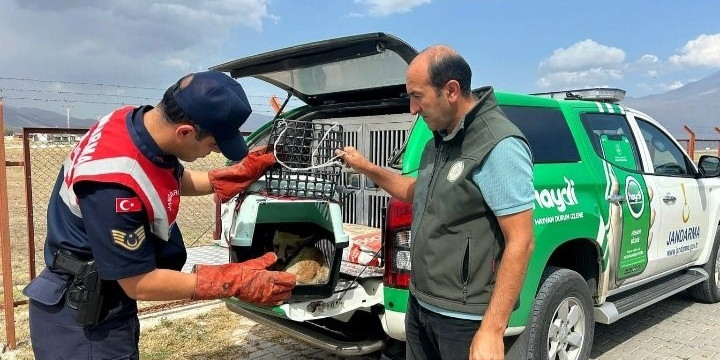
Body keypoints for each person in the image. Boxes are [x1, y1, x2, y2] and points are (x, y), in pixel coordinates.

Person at [22, 70, 296, 360]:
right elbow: (139, 282)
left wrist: (230, 177)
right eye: (213, 145)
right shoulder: (114, 186)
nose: (213, 152)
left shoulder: (133, 123)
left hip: (103, 300)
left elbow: (167, 177)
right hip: (84, 321)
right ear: (185, 132)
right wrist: (232, 281)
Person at [336, 46, 535, 360]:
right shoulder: (438, 141)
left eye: (417, 96)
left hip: (464, 318)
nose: (412, 108)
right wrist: (366, 167)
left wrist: (492, 330)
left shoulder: (498, 144)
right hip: (421, 303)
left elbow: (521, 241)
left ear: (451, 90)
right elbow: (417, 191)